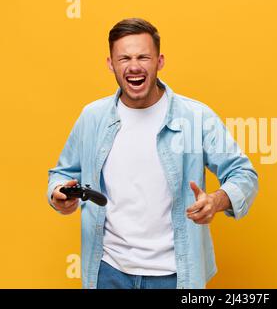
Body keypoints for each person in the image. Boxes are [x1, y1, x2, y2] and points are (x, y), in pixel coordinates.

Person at [46, 18, 259, 289]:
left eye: (143, 57)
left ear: (159, 62)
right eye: (124, 58)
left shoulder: (196, 118)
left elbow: (244, 175)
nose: (134, 66)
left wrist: (216, 200)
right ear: (111, 64)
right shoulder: (92, 118)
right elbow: (62, 174)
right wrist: (59, 193)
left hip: (175, 275)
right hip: (107, 272)